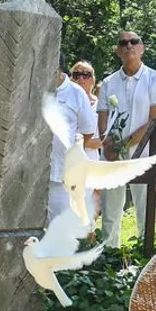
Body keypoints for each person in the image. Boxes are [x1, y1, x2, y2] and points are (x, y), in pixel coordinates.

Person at [97, 31, 156, 247]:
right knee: (109, 216)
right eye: (123, 43)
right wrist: (107, 144)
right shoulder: (108, 82)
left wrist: (124, 144)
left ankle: (142, 260)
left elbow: (155, 121)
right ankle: (109, 260)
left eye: (134, 42)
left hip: (145, 154)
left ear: (142, 48)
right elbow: (102, 116)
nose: (129, 46)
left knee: (145, 213)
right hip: (112, 157)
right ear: (118, 51)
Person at [48, 66, 95, 221]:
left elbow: (87, 131)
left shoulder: (76, 93)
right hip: (32, 172)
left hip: (62, 174)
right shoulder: (32, 86)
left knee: (61, 225)